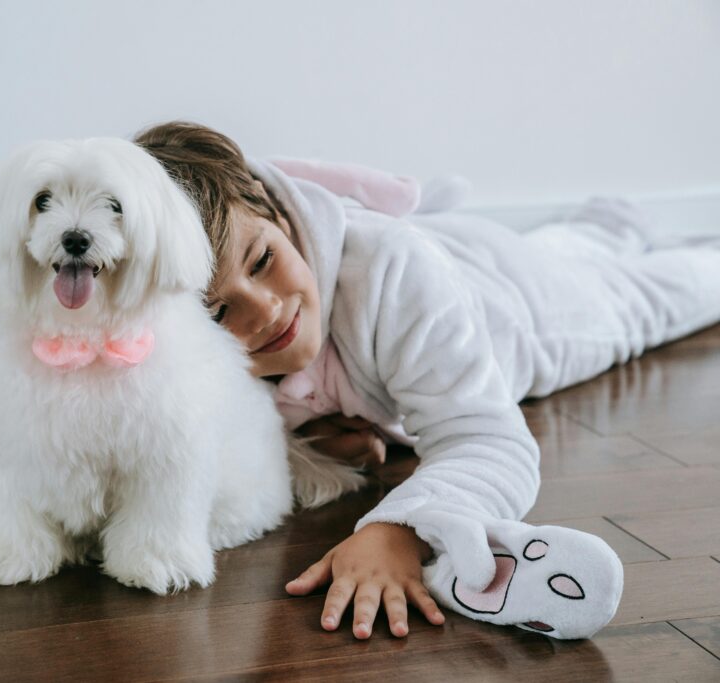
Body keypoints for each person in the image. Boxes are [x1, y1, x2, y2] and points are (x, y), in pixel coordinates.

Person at [134, 121, 720, 641]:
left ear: (273, 209)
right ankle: (609, 224)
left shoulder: (390, 269)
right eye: (216, 313)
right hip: (468, 253)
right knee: (564, 247)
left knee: (645, 299)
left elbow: (488, 439)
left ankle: (644, 244)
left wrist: (401, 528)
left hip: (519, 308)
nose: (261, 311)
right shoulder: (186, 359)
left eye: (262, 261)